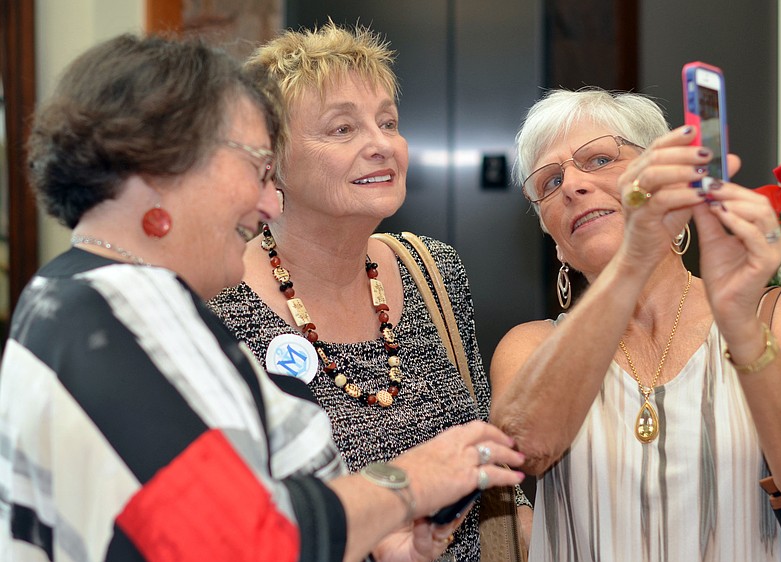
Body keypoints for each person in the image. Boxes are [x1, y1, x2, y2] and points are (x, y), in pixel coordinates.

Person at [0, 33, 526, 562]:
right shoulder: (115, 313)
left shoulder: (73, 294)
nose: (265, 198)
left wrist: (383, 538)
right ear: (166, 169)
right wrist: (410, 481)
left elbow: (275, 490)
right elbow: (239, 540)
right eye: (252, 163)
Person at [207, 22, 533, 559]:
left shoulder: (433, 270)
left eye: (388, 122)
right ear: (273, 162)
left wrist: (517, 510)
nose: (381, 145)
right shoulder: (220, 301)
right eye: (342, 129)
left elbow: (480, 429)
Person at [488, 88, 781, 561]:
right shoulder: (531, 346)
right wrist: (633, 261)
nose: (573, 184)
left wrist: (740, 328)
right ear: (555, 241)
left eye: (598, 159)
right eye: (551, 182)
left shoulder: (778, 316)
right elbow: (523, 447)